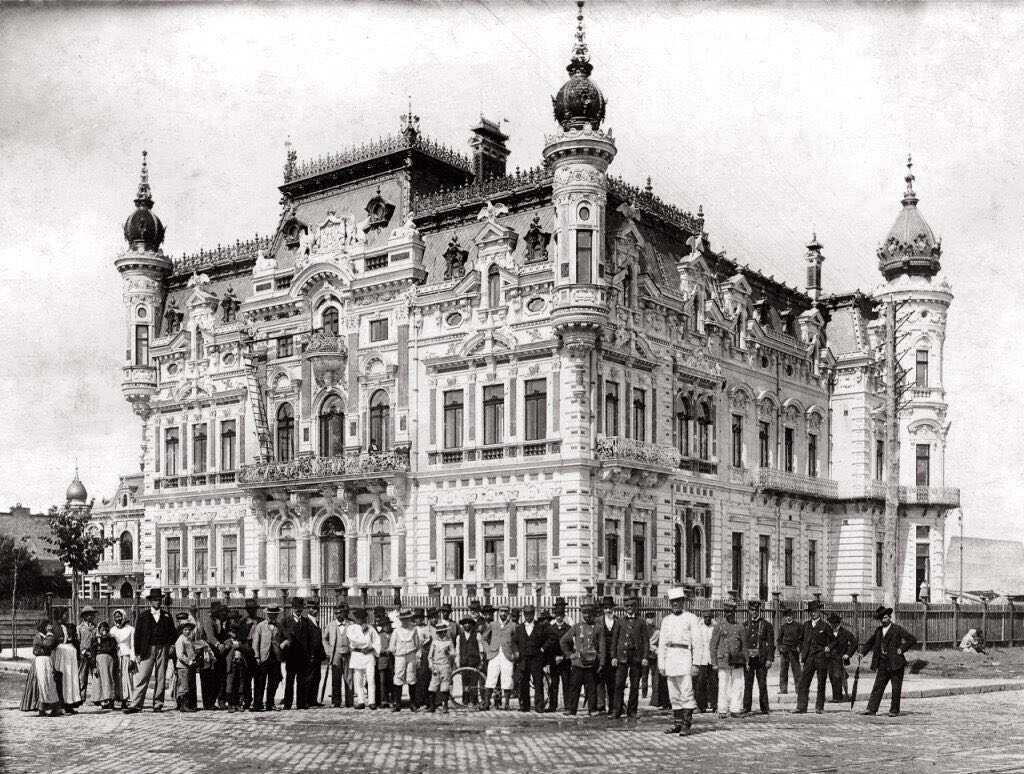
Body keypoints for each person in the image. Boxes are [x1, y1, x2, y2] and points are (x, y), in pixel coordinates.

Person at [124, 588, 177, 714]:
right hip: (147, 649)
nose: (157, 602)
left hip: (162, 648)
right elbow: (137, 636)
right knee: (143, 677)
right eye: (155, 600)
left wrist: (171, 646)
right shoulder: (143, 616)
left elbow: (173, 634)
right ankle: (136, 704)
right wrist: (137, 653)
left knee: (161, 677)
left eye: (159, 600)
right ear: (150, 602)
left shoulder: (167, 616)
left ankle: (158, 704)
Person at [859, 606, 918, 718]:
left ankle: (894, 710)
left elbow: (912, 639)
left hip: (896, 664)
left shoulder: (897, 629)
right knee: (877, 687)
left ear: (890, 617)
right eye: (881, 618)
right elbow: (869, 643)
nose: (883, 619)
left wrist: (902, 648)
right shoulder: (878, 631)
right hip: (882, 663)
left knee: (896, 688)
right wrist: (862, 653)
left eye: (885, 617)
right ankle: (871, 709)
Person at [658, 587, 701, 735]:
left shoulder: (691, 618)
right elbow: (662, 644)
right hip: (670, 659)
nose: (675, 604)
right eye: (673, 601)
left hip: (684, 659)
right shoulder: (666, 620)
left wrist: (696, 663)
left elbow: (698, 643)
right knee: (674, 694)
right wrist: (661, 665)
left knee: (686, 692)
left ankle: (686, 724)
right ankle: (677, 723)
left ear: (683, 602)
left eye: (678, 601)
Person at [559, 603, 606, 716]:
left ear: (592, 614)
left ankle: (592, 709)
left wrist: (602, 662)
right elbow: (563, 641)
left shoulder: (598, 627)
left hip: (592, 664)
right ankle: (572, 708)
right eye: (584, 614)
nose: (587, 616)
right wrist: (570, 654)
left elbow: (602, 646)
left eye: (589, 613)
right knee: (574, 687)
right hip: (578, 663)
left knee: (591, 688)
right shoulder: (576, 627)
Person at [610, 596, 650, 719]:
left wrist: (644, 657)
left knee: (634, 686)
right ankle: (617, 710)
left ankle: (632, 711)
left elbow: (645, 641)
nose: (629, 608)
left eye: (632, 606)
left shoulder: (641, 621)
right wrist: (613, 656)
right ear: (624, 607)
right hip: (622, 657)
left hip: (636, 657)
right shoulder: (620, 621)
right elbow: (614, 640)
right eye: (627, 606)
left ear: (636, 607)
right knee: (619, 685)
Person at [793, 600, 835, 714]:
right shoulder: (806, 625)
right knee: (803, 681)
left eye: (815, 611)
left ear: (819, 612)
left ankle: (819, 707)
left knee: (821, 682)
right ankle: (801, 707)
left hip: (821, 657)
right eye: (811, 611)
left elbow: (834, 641)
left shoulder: (825, 626)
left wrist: (828, 648)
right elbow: (800, 640)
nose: (813, 613)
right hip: (809, 658)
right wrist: (802, 650)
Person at [513, 604, 554, 714]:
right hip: (523, 659)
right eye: (526, 614)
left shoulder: (540, 626)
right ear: (524, 614)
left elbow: (551, 638)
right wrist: (516, 651)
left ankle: (539, 706)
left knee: (538, 683)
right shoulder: (519, 628)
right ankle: (525, 705)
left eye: (530, 613)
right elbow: (514, 642)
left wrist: (542, 649)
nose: (528, 616)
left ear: (533, 614)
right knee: (523, 683)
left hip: (536, 659)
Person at [710, 599, 746, 719]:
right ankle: (722, 710)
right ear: (724, 613)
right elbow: (713, 645)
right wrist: (714, 662)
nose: (729, 614)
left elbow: (744, 646)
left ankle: (735, 709)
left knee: (737, 685)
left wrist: (747, 662)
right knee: (723, 687)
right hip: (723, 661)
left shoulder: (740, 627)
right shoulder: (719, 626)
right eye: (727, 612)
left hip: (737, 661)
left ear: (735, 612)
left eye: (731, 612)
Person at [282, 597, 317, 710]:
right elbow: (282, 637)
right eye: (296, 607)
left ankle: (301, 703)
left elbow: (311, 639)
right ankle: (287, 703)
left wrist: (311, 654)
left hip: (303, 657)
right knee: (290, 680)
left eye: (300, 607)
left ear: (302, 608)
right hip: (291, 657)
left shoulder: (306, 622)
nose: (298, 609)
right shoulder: (286, 621)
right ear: (292, 608)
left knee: (302, 681)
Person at [481, 603, 517, 711]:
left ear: (508, 613)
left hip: (507, 655)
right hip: (494, 654)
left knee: (507, 679)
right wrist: (488, 649)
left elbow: (516, 640)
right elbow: (483, 638)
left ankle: (506, 704)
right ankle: (487, 703)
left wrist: (514, 652)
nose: (503, 613)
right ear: (498, 613)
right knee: (491, 678)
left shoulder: (513, 625)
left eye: (505, 611)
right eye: (501, 611)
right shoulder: (493, 624)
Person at [742, 599, 775, 716]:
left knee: (762, 683)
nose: (754, 612)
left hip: (761, 659)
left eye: (756, 610)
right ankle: (746, 706)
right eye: (752, 610)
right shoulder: (745, 625)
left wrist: (770, 659)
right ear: (749, 611)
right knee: (748, 683)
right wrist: (744, 659)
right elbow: (743, 644)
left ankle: (764, 707)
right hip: (749, 660)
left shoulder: (766, 625)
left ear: (759, 611)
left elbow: (771, 644)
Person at [22, 619, 62, 717]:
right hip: (40, 662)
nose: (50, 627)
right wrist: (49, 633)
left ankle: (53, 708)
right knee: (41, 684)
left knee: (50, 685)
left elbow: (54, 644)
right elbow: (47, 644)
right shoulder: (38, 636)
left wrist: (51, 635)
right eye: (48, 626)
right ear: (43, 627)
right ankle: (41, 709)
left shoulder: (48, 636)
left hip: (47, 662)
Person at [251, 604, 284, 712]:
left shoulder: (280, 626)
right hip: (263, 657)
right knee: (260, 682)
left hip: (276, 658)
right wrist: (256, 656)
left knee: (273, 682)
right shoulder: (260, 626)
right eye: (271, 614)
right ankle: (257, 704)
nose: (273, 616)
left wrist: (284, 643)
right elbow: (255, 642)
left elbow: (288, 637)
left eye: (275, 614)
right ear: (267, 614)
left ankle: (270, 704)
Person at [347, 608, 381, 710]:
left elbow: (377, 642)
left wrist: (370, 647)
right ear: (355, 618)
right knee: (359, 679)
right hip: (357, 654)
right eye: (358, 618)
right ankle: (361, 701)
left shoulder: (371, 628)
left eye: (362, 618)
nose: (360, 620)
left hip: (368, 655)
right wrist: (363, 634)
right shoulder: (351, 628)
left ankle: (372, 701)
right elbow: (353, 640)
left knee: (370, 679)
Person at [390, 608, 422, 712]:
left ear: (409, 619)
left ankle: (412, 703)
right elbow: (392, 647)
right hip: (399, 656)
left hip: (411, 655)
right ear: (400, 620)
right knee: (398, 677)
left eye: (407, 619)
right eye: (403, 619)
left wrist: (415, 655)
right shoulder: (396, 631)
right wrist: (397, 653)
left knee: (411, 677)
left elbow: (417, 644)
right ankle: (397, 703)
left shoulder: (413, 630)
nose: (405, 621)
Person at [51, 606, 82, 714]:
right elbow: (53, 642)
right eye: (65, 614)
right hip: (62, 654)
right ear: (59, 615)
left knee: (71, 678)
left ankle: (70, 704)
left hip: (70, 655)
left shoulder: (69, 627)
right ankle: (61, 704)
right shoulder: (54, 627)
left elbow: (75, 640)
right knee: (63, 678)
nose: (67, 616)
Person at [236, 598, 263, 710]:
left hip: (258, 652)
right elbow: (239, 638)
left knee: (258, 678)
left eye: (253, 609)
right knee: (246, 679)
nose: (251, 611)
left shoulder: (261, 621)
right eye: (249, 609)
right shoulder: (242, 622)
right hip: (246, 652)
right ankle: (247, 700)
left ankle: (258, 701)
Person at [324, 604, 352, 708]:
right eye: (336, 613)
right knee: (336, 678)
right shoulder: (330, 625)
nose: (339, 615)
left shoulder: (351, 624)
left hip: (348, 653)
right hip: (335, 653)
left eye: (341, 612)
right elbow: (324, 639)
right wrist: (328, 650)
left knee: (349, 678)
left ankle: (349, 701)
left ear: (344, 612)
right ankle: (336, 701)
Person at [827, 612, 858, 702]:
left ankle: (838, 697)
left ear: (839, 623)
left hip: (840, 658)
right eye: (831, 623)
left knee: (837, 676)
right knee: (832, 676)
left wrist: (848, 654)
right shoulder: (828, 631)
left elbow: (854, 643)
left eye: (835, 623)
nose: (833, 625)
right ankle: (835, 696)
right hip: (829, 657)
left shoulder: (845, 632)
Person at [546, 602, 572, 712]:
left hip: (565, 660)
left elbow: (570, 644)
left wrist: (563, 656)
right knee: (554, 684)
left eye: (561, 615)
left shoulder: (569, 628)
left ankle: (568, 705)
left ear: (564, 616)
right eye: (557, 615)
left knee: (566, 683)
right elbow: (549, 644)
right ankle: (553, 705)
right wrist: (553, 657)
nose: (559, 617)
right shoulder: (551, 628)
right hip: (554, 660)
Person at [692, 609, 718, 714]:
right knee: (700, 683)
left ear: (712, 616)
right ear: (703, 616)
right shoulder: (698, 627)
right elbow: (696, 644)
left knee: (714, 683)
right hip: (701, 659)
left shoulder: (716, 627)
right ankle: (700, 706)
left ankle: (715, 705)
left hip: (712, 660)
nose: (707, 618)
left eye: (709, 616)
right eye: (705, 617)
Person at [597, 596, 620, 714]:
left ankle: (612, 707)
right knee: (600, 681)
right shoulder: (598, 621)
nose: (608, 610)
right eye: (606, 608)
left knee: (612, 682)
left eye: (610, 608)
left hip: (613, 657)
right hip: (601, 656)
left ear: (613, 608)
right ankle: (600, 706)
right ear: (603, 609)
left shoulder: (618, 621)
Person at [428, 620, 456, 714]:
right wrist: (431, 665)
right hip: (436, 666)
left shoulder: (449, 642)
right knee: (433, 686)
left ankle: (445, 706)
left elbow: (454, 653)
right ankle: (432, 706)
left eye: (443, 632)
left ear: (446, 632)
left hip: (445, 666)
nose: (441, 634)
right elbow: (430, 656)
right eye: (439, 633)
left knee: (445, 686)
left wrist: (449, 653)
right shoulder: (435, 642)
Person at [89, 620, 118, 709]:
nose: (104, 632)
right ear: (99, 630)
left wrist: (116, 665)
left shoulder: (112, 639)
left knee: (109, 680)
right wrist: (94, 666)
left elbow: (114, 652)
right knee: (99, 681)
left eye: (106, 630)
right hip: (99, 663)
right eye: (102, 630)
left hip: (109, 663)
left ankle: (110, 700)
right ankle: (101, 700)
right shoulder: (95, 640)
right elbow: (93, 654)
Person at [173, 614, 199, 713]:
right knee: (184, 686)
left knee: (187, 685)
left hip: (188, 666)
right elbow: (180, 654)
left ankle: (186, 704)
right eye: (185, 630)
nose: (187, 631)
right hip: (183, 666)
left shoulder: (188, 639)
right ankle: (183, 705)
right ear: (181, 630)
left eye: (189, 630)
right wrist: (189, 661)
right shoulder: (180, 640)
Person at [111, 609, 136, 709]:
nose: (118, 619)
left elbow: (133, 645)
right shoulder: (112, 630)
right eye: (116, 617)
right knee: (117, 678)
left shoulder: (130, 629)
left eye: (119, 616)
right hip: (116, 656)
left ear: (124, 616)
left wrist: (132, 659)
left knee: (126, 678)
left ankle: (125, 700)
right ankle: (117, 698)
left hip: (126, 655)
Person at [304, 599, 327, 706]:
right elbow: (306, 640)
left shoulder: (316, 621)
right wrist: (310, 654)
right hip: (310, 655)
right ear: (308, 609)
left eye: (317, 608)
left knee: (317, 677)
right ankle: (306, 700)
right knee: (309, 678)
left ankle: (313, 699)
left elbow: (318, 640)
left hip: (317, 655)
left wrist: (322, 654)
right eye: (313, 608)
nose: (315, 610)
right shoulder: (305, 622)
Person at [456, 617, 483, 707]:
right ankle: (466, 700)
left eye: (469, 623)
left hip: (474, 662)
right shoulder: (460, 636)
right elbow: (457, 651)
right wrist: (457, 662)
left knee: (474, 682)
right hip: (464, 663)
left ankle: (474, 701)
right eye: (465, 623)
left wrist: (481, 661)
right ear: (463, 625)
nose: (467, 625)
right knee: (465, 683)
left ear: (472, 625)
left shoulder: (477, 635)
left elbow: (480, 649)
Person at [776, 607, 803, 694]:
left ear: (793, 616)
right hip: (785, 652)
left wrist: (799, 647)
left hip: (794, 651)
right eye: (786, 616)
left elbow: (802, 639)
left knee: (797, 671)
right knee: (783, 671)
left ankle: (799, 689)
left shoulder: (798, 626)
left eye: (790, 616)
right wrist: (780, 647)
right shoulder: (783, 627)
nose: (788, 618)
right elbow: (779, 640)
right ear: (784, 617)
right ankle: (783, 690)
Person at [413, 608, 434, 710]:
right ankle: (416, 700)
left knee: (425, 678)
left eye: (420, 618)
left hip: (425, 654)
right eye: (416, 618)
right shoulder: (412, 629)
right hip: (415, 654)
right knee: (416, 678)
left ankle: (426, 699)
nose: (418, 620)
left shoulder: (427, 629)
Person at [77, 606, 98, 703]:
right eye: (89, 614)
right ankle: (81, 696)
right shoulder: (80, 628)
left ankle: (97, 697)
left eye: (92, 614)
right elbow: (78, 642)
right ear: (84, 616)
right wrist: (84, 652)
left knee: (96, 674)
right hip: (83, 655)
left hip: (94, 655)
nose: (92, 616)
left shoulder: (96, 628)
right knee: (82, 676)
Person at [224, 623, 247, 712]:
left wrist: (240, 646)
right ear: (229, 632)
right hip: (231, 665)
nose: (235, 634)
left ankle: (237, 704)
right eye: (232, 632)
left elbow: (248, 650)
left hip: (240, 665)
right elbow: (221, 654)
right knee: (230, 685)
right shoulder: (227, 642)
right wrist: (226, 648)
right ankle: (230, 705)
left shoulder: (241, 642)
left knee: (239, 685)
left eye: (236, 632)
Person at [375, 608, 395, 708]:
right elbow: (376, 648)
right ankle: (384, 700)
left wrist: (391, 650)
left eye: (388, 625)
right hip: (382, 661)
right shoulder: (379, 636)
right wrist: (383, 650)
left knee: (392, 682)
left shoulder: (394, 634)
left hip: (392, 661)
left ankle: (394, 699)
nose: (387, 627)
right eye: (385, 625)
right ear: (382, 626)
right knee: (382, 682)